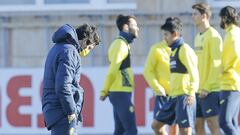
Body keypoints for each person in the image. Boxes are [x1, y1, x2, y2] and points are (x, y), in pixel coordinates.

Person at [42, 23, 100, 135]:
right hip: (63, 112)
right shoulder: (70, 51)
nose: (87, 51)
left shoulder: (58, 48)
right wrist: (71, 111)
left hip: (55, 110)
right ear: (84, 40)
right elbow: (63, 86)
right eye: (89, 47)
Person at [156, 17, 198, 135]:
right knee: (156, 126)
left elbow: (194, 72)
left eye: (166, 35)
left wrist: (190, 92)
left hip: (184, 96)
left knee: (185, 131)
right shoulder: (173, 51)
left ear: (174, 34)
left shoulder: (185, 49)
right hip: (173, 97)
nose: (164, 38)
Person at [99, 14, 139, 135]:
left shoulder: (123, 44)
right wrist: (104, 91)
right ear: (126, 27)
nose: (138, 28)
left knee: (120, 130)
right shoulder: (120, 44)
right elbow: (113, 69)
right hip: (119, 92)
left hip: (121, 92)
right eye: (135, 25)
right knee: (131, 130)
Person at [192, 3, 223, 135]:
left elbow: (217, 63)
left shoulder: (214, 36)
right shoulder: (197, 37)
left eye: (195, 14)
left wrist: (207, 87)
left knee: (213, 125)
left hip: (211, 89)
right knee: (198, 125)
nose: (192, 16)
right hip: (198, 90)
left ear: (204, 16)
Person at [143, 39, 179, 135]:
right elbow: (147, 71)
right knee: (157, 127)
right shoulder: (156, 49)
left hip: (176, 94)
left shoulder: (181, 49)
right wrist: (157, 87)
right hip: (163, 95)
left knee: (174, 128)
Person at [219, 6, 240, 135]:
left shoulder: (231, 34)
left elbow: (235, 54)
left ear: (225, 18)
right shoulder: (237, 32)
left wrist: (224, 68)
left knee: (224, 122)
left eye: (221, 18)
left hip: (229, 83)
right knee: (232, 121)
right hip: (235, 82)